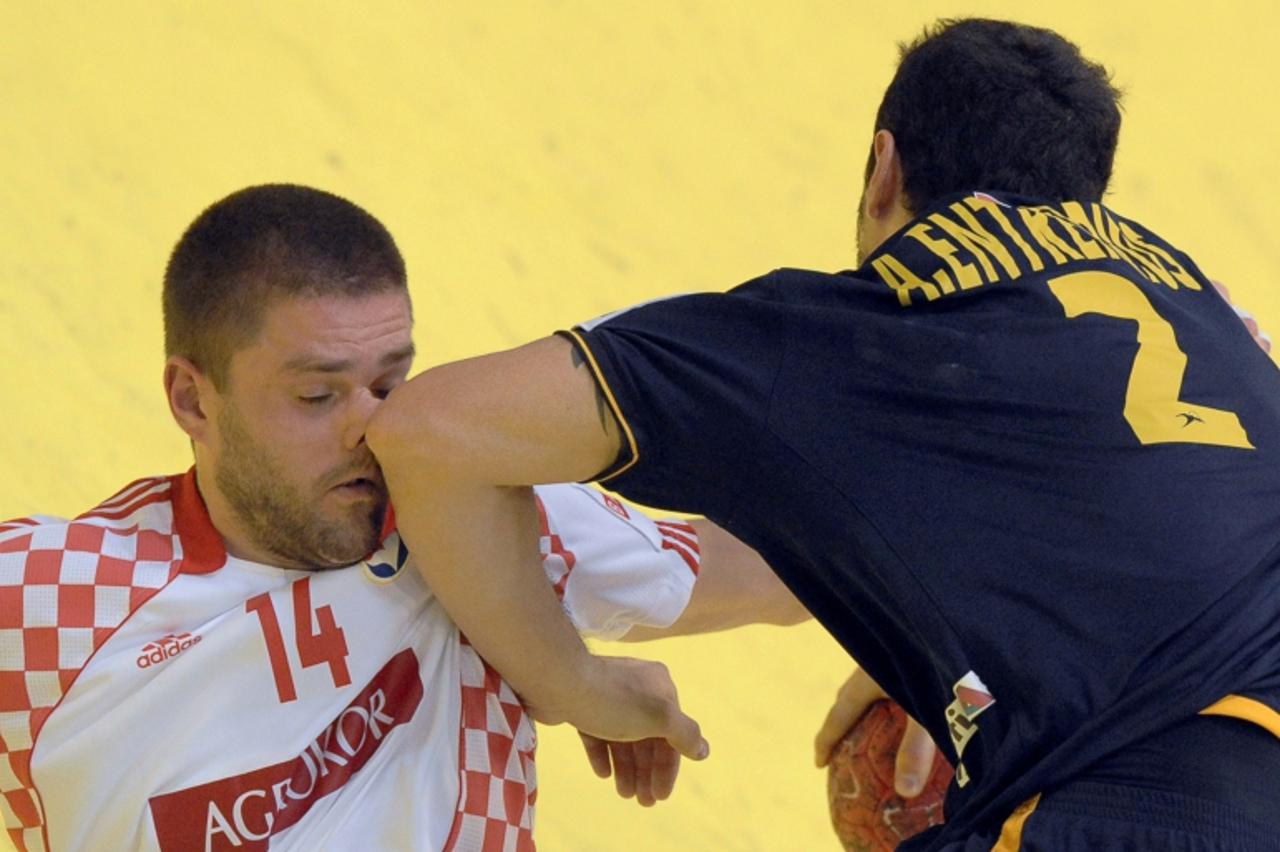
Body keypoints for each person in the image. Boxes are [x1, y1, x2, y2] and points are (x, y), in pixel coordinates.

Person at [367, 18, 1280, 850]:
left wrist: (580, 688)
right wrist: (980, 656)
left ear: (884, 167)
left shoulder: (867, 329)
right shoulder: (1218, 321)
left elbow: (430, 433)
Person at [0, 184, 807, 851]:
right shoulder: (43, 600)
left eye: (393, 383)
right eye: (317, 396)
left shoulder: (482, 529)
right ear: (191, 399)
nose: (370, 427)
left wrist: (921, 656)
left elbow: (802, 568)